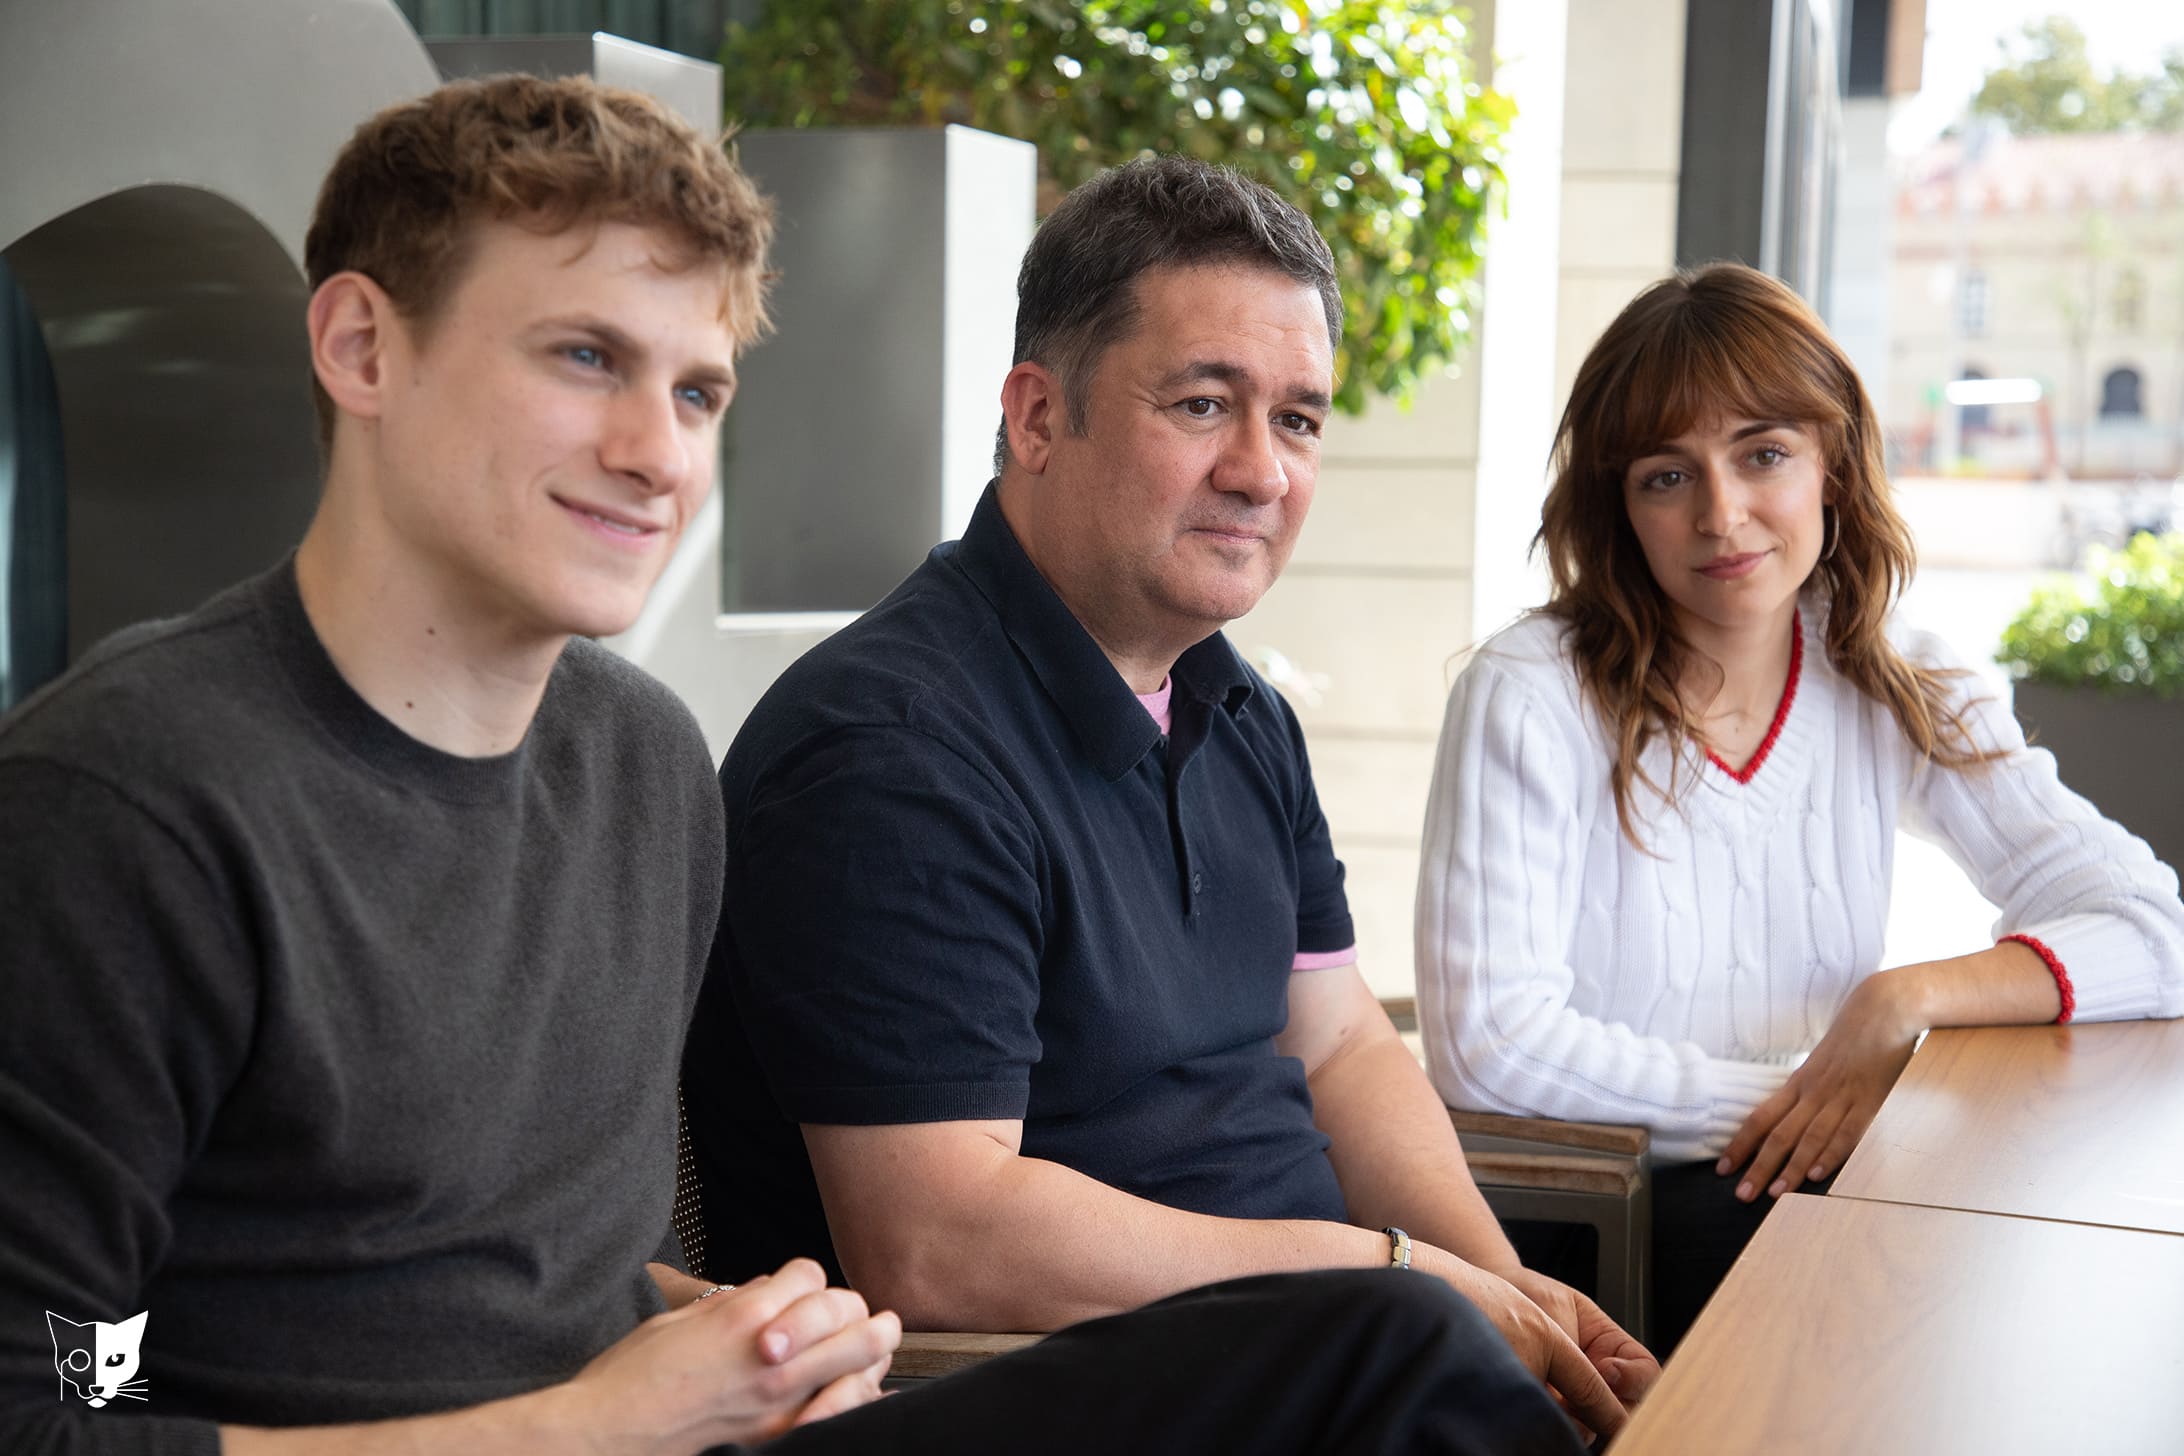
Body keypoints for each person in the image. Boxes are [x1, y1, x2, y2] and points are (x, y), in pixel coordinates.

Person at [0, 73, 1591, 1456]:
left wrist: (750, 1327)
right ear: (360, 345)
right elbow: (69, 1386)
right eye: (582, 359)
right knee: (1399, 1339)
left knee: (1396, 1357)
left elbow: (530, 1269)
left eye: (696, 391)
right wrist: (571, 1426)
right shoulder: (131, 799)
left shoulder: (634, 768)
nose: (658, 452)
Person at [682, 154, 1656, 1437]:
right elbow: (937, 1238)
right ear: (1038, 417)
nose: (1261, 470)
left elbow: (1346, 1043)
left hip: (1331, 1367)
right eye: (1205, 404)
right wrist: (1392, 1278)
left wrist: (1507, 1284)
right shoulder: (889, 744)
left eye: (1299, 420)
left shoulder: (1241, 711)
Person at [1412, 261, 2184, 1353]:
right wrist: (1827, 1102)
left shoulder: (1894, 671)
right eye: (1665, 476)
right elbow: (1493, 1045)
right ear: (1619, 504)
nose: (1721, 515)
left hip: (1808, 1191)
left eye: (1763, 454)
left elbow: (2155, 930)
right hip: (1599, 1222)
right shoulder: (1531, 691)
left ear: (1833, 464)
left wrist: (1899, 1006)